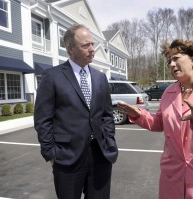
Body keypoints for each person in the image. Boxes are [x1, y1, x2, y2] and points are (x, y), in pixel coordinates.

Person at [118, 39, 193, 199]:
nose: (172, 65)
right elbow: (159, 123)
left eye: (176, 58)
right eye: (169, 61)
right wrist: (139, 115)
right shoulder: (169, 92)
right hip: (172, 177)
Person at [34, 24, 118, 199]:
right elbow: (43, 119)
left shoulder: (100, 78)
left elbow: (107, 115)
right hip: (67, 157)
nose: (92, 49)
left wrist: (109, 139)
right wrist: (51, 153)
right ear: (70, 48)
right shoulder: (52, 76)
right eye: (86, 45)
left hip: (100, 155)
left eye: (93, 44)